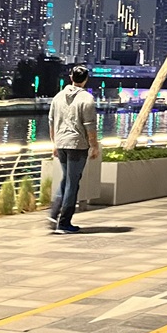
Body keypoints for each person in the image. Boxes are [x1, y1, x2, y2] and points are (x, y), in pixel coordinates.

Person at [48, 64, 100, 234]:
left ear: (71, 77)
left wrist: (54, 143)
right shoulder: (87, 99)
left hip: (61, 143)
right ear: (85, 79)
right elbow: (90, 127)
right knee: (72, 183)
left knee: (67, 180)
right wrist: (94, 146)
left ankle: (54, 213)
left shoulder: (57, 97)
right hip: (78, 145)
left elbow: (51, 122)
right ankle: (64, 222)